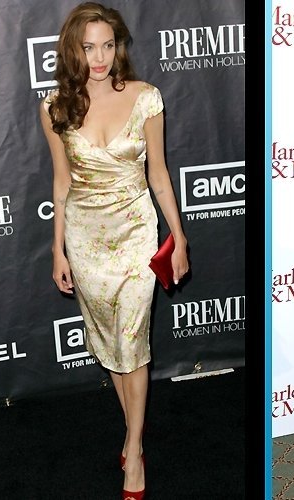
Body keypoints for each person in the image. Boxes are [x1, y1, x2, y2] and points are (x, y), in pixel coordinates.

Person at [39, 3, 189, 499]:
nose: (100, 57)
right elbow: (61, 183)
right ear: (73, 50)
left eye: (107, 45)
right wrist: (58, 249)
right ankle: (133, 434)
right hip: (85, 241)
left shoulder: (146, 98)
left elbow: (159, 174)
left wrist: (178, 236)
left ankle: (133, 451)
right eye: (89, 47)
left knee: (133, 344)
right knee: (113, 348)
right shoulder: (55, 107)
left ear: (118, 46)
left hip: (137, 236)